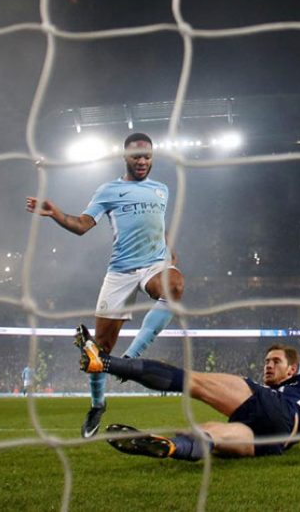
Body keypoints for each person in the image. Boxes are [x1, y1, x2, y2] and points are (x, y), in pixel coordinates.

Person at [26, 132, 185, 438]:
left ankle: (130, 360)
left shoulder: (162, 190)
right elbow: (82, 225)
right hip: (121, 272)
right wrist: (56, 214)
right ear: (124, 157)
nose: (142, 162)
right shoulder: (109, 190)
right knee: (99, 349)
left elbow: (159, 227)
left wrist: (169, 250)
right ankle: (98, 405)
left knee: (175, 287)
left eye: (148, 157)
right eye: (136, 157)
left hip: (154, 265)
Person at [74, 338, 300, 460]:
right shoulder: (285, 388)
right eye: (266, 362)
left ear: (292, 369)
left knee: (194, 381)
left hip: (276, 411)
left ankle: (104, 361)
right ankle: (169, 447)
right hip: (273, 440)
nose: (268, 366)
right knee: (210, 434)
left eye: (275, 362)